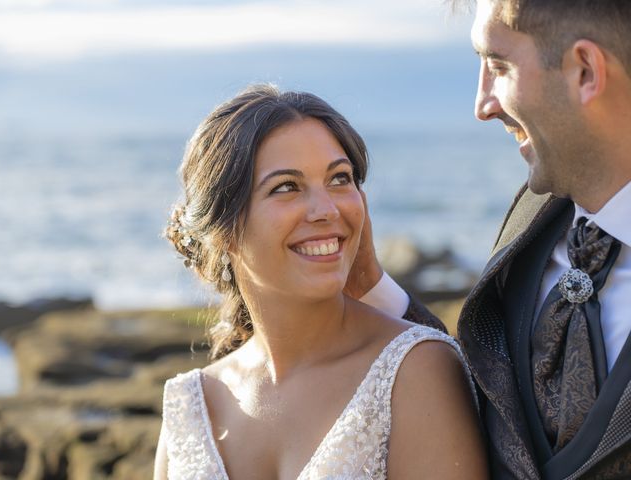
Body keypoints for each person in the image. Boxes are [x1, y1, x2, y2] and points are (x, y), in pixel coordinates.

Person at [153, 85, 487, 479]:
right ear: (224, 230)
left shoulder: (415, 370)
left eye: (339, 179)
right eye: (287, 187)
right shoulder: (191, 404)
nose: (326, 210)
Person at [356, 0, 631, 477]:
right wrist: (370, 284)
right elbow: (494, 404)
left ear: (585, 71)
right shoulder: (530, 217)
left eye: (498, 66)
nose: (482, 106)